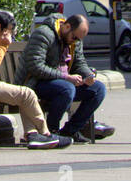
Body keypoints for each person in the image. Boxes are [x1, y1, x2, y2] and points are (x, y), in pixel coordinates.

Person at [0, 9, 66, 149]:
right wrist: (3, 45)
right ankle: (45, 134)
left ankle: (32, 135)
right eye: (6, 32)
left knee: (24, 96)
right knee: (27, 94)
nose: (6, 36)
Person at [18, 14, 115, 142]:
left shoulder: (75, 41)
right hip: (36, 83)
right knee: (67, 89)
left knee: (98, 89)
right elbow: (35, 66)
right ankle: (51, 131)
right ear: (67, 26)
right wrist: (66, 77)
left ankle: (70, 131)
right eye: (74, 37)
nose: (74, 41)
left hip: (62, 84)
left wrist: (88, 75)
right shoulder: (44, 34)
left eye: (78, 39)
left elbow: (79, 63)